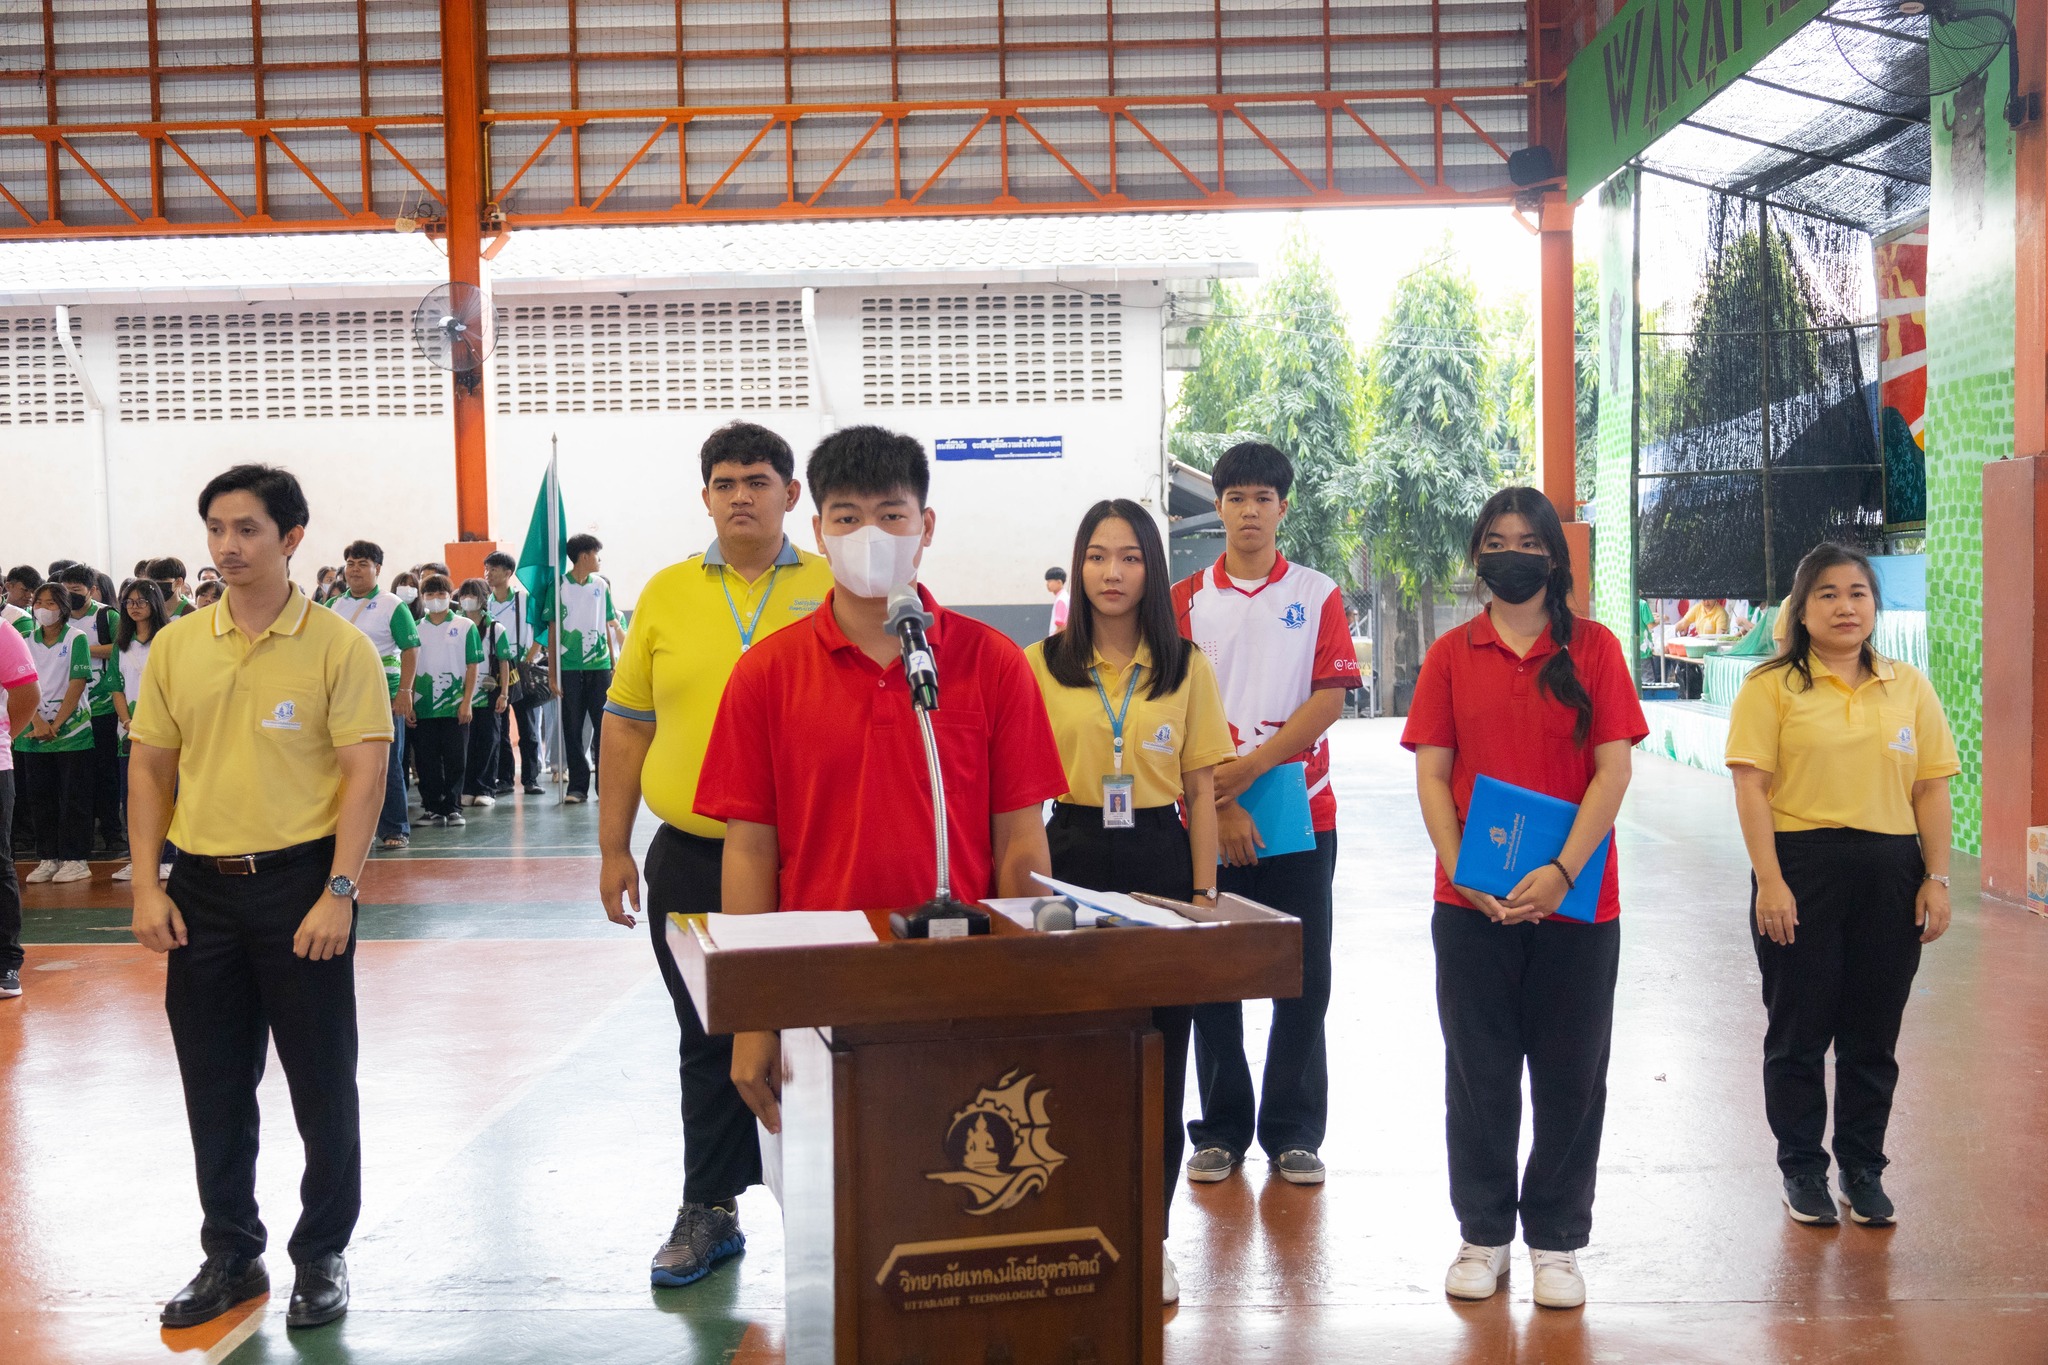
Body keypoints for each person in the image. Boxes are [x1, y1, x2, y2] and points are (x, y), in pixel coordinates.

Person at [694, 424, 1068, 1135]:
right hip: (818, 982)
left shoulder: (991, 664)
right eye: (848, 517)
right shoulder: (767, 674)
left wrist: (1031, 984)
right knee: (833, 1224)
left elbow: (1021, 840)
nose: (871, 534)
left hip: (964, 981)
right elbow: (749, 852)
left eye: (891, 515)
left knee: (964, 1201)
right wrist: (753, 1014)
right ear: (819, 530)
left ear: (925, 526)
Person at [129, 464, 390, 1333]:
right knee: (213, 1084)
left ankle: (321, 1254)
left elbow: (364, 775)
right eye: (215, 529)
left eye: (246, 529)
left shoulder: (338, 647)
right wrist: (145, 882)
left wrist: (340, 890)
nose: (228, 545)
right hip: (200, 889)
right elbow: (150, 768)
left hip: (302, 887)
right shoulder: (176, 644)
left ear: (291, 537)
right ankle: (231, 1252)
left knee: (322, 1084)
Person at [598, 420, 835, 1289]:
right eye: (726, 481)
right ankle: (711, 1208)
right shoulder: (664, 594)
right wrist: (613, 845)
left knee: (818, 1034)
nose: (742, 493)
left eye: (760, 479)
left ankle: (827, 1208)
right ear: (705, 496)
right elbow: (627, 725)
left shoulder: (833, 585)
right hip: (693, 855)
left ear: (792, 495)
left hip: (813, 859)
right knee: (707, 1033)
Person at [1403, 487, 1647, 1310]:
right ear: (1479, 554)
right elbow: (1433, 773)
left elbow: (1613, 770)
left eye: (1528, 541)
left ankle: (1556, 1241)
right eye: (1496, 540)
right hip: (1469, 903)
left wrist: (1565, 872)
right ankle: (1483, 1235)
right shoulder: (1449, 654)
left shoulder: (1599, 652)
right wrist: (1458, 865)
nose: (1512, 553)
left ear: (1554, 557)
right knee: (1478, 1073)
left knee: (1572, 1075)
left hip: (1579, 905)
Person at [1025, 498, 1232, 1307]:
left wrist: (1206, 895)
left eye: (1130, 557)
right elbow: (1016, 793)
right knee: (1069, 1055)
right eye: (1097, 557)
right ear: (1078, 568)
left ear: (1152, 568)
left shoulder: (1186, 667)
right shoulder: (1041, 663)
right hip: (1067, 854)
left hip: (1158, 859)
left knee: (1158, 1057)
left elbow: (1203, 791)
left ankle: (1152, 1237)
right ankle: (1072, 1226)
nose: (1112, 573)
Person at [1725, 543, 1958, 1229]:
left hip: (1892, 872)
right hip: (1801, 870)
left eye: (1858, 592)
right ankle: (1802, 1169)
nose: (1845, 605)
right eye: (1826, 593)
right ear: (1801, 609)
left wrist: (1936, 878)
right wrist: (1770, 878)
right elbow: (1751, 787)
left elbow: (1932, 788)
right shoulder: (1770, 687)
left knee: (1872, 1031)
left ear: (1874, 607)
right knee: (1799, 1027)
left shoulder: (1908, 686)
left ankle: (1863, 1169)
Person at [1169, 441, 1359, 1188]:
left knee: (1303, 976)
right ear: (1217, 506)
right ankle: (1218, 1129)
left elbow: (1328, 698)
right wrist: (1221, 795)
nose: (1250, 511)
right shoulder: (1183, 600)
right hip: (1204, 813)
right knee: (1211, 976)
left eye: (1263, 498)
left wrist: (1249, 771)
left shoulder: (1317, 594)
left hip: (1301, 810)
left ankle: (1292, 1130)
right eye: (1236, 497)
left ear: (1284, 507)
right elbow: (1175, 705)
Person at [328, 542, 419, 850]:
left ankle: (395, 828)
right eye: (350, 563)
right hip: (344, 695)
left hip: (385, 695)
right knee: (344, 764)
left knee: (388, 764)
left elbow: (410, 648)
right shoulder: (335, 605)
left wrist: (405, 692)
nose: (354, 569)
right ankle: (351, 827)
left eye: (362, 563)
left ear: (377, 569)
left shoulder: (392, 604)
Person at [16, 581, 96, 885]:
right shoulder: (25, 639)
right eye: (38, 603)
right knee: (40, 798)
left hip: (72, 733)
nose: (42, 609)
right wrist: (36, 721)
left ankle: (76, 859)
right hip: (33, 734)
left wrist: (57, 724)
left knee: (73, 797)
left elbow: (76, 684)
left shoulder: (76, 638)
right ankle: (48, 857)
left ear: (63, 607)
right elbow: (19, 685)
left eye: (50, 604)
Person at [534, 533, 621, 804]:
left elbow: (608, 623)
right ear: (584, 556)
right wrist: (552, 673)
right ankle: (578, 787)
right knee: (572, 728)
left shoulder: (600, 586)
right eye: (596, 554)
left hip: (600, 666)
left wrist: (614, 662)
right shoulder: (558, 587)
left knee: (603, 727)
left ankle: (605, 786)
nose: (599, 559)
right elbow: (552, 629)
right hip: (569, 668)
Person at [60, 563, 126, 857]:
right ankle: (83, 837)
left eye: (76, 590)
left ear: (91, 589)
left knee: (106, 775)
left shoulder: (105, 616)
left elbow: (119, 647)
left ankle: (113, 834)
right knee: (78, 778)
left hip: (102, 707)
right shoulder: (58, 618)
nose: (71, 595)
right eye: (66, 590)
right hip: (72, 711)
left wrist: (82, 648)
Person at [110, 579, 173, 883]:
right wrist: (126, 721)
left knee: (167, 794)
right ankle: (140, 860)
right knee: (132, 796)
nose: (134, 607)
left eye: (141, 601)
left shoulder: (169, 638)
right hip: (129, 733)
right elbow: (116, 687)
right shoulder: (121, 644)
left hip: (165, 731)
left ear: (155, 604)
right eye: (129, 602)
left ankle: (169, 857)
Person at [407, 575, 481, 828]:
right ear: (422, 597)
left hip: (454, 705)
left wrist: (467, 701)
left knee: (455, 759)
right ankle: (432, 808)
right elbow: (411, 667)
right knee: (426, 761)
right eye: (430, 594)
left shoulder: (465, 626)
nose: (436, 599)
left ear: (451, 596)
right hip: (424, 706)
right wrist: (409, 701)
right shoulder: (415, 628)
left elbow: (472, 666)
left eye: (441, 594)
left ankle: (453, 807)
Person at [0, 618, 39, 998]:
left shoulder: (3, 632)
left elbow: (26, 695)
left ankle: (6, 963)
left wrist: (4, 737)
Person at [482, 552, 542, 795]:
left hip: (522, 665)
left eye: (493, 569)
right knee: (500, 725)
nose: (488, 574)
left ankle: (530, 778)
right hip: (497, 668)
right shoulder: (486, 603)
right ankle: (504, 778)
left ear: (508, 572)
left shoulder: (524, 599)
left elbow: (541, 629)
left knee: (527, 726)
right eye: (486, 569)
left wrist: (530, 658)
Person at [457, 578, 513, 808]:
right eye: (464, 594)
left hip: (488, 694)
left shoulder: (495, 628)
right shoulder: (457, 625)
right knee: (465, 743)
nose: (467, 599)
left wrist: (504, 693)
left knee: (489, 741)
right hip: (462, 695)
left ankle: (486, 787)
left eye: (473, 594)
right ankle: (467, 787)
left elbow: (504, 662)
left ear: (483, 598)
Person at [1044, 564, 1070, 635]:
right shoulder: (1065, 597)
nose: (1047, 584)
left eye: (1049, 581)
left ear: (1059, 582)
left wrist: (1052, 641)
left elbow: (1060, 625)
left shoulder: (1061, 599)